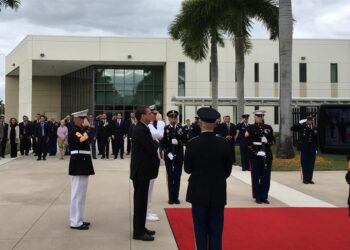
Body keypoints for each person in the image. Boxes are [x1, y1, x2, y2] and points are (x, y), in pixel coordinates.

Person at [184, 107, 233, 250]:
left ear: (199, 123)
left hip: (198, 191)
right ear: (215, 124)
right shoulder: (223, 143)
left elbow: (187, 169)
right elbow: (227, 170)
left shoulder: (193, 143)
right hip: (217, 190)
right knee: (216, 229)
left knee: (200, 228)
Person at [130, 106, 159, 241]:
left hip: (143, 171)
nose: (151, 115)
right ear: (142, 116)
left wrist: (153, 143)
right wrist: (155, 144)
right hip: (141, 172)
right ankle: (138, 232)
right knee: (140, 202)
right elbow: (151, 147)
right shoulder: (141, 129)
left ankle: (141, 227)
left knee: (142, 201)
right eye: (149, 113)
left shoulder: (142, 128)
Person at [69, 109, 95, 230]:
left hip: (83, 163)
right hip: (78, 163)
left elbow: (88, 139)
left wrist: (87, 130)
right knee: (77, 193)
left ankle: (79, 219)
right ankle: (75, 221)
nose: (86, 121)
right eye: (84, 119)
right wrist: (88, 130)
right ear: (78, 119)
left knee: (81, 194)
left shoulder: (81, 130)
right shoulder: (74, 130)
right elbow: (81, 140)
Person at [245, 110, 275, 204]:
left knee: (266, 176)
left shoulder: (268, 127)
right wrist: (256, 152)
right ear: (255, 117)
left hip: (266, 154)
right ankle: (257, 196)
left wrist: (268, 142)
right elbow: (248, 142)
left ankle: (264, 196)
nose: (259, 118)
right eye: (258, 117)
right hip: (255, 156)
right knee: (256, 176)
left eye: (261, 117)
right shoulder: (250, 128)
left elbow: (273, 140)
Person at [161, 110, 187, 205]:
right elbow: (162, 142)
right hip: (169, 156)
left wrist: (179, 142)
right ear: (168, 118)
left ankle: (176, 197)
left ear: (177, 118)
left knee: (177, 177)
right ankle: (171, 198)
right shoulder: (165, 128)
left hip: (179, 156)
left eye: (175, 117)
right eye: (171, 117)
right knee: (170, 177)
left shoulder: (181, 128)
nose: (173, 119)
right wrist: (166, 151)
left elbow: (185, 140)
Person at [146, 105, 165, 221]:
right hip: (147, 163)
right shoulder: (148, 126)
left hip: (151, 161)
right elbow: (160, 135)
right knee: (147, 189)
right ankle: (146, 212)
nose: (156, 115)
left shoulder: (150, 125)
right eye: (154, 113)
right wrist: (161, 121)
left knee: (149, 189)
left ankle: (148, 210)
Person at [291, 115, 318, 184]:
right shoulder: (302, 127)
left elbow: (317, 139)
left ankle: (309, 179)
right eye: (308, 120)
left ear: (312, 121)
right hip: (304, 148)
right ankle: (305, 179)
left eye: (311, 120)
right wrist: (299, 123)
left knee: (311, 164)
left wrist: (316, 148)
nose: (310, 121)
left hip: (312, 149)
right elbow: (293, 128)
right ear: (306, 120)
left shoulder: (315, 128)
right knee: (304, 163)